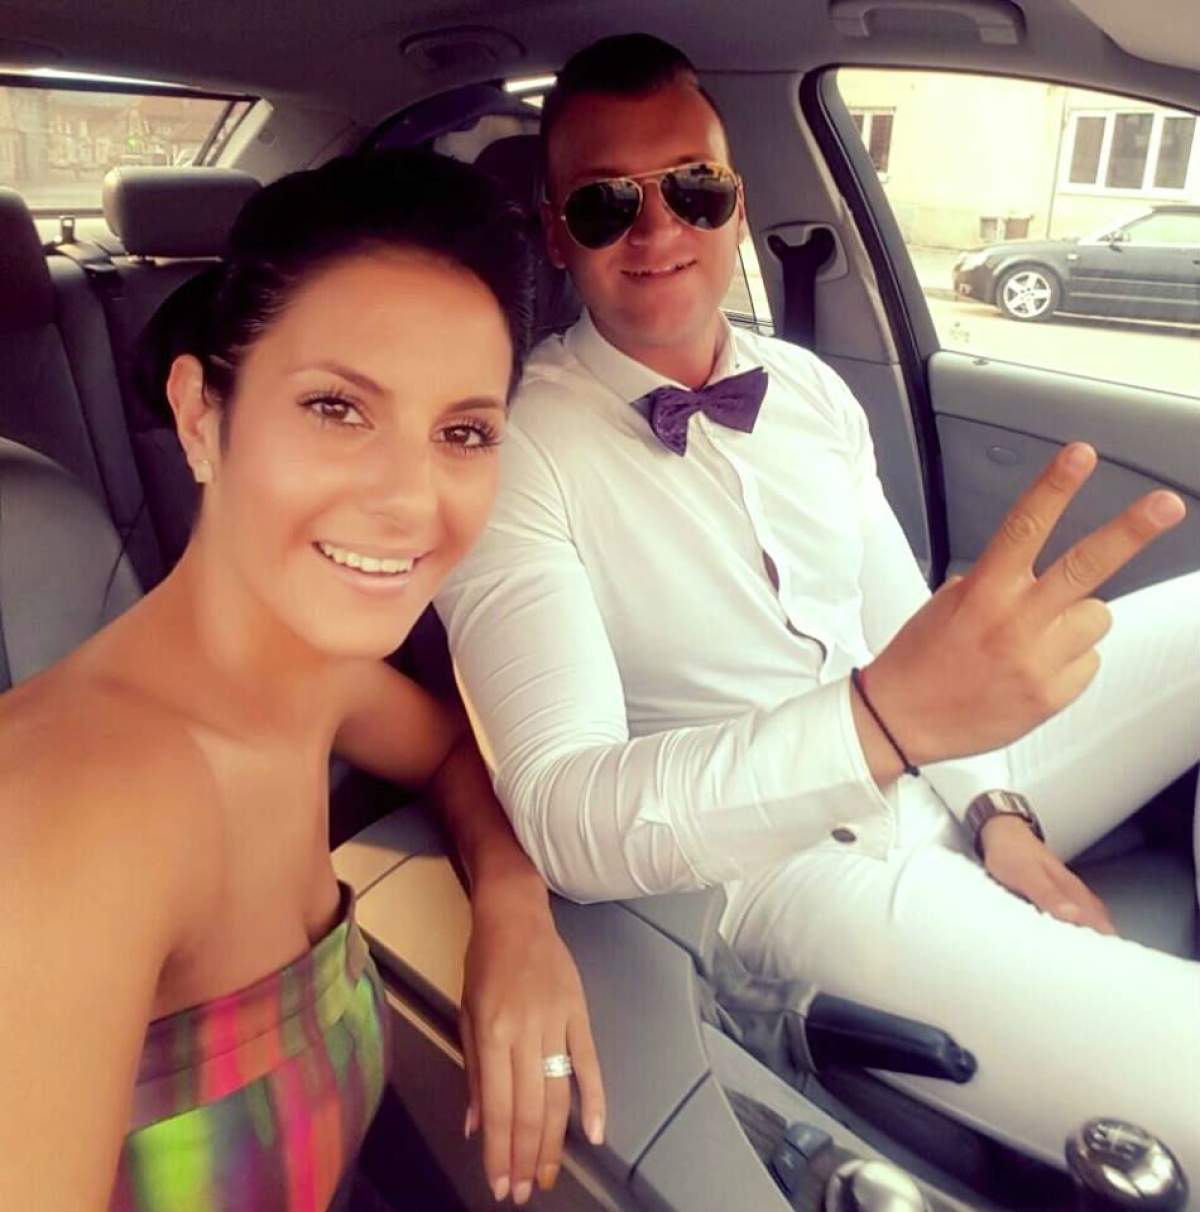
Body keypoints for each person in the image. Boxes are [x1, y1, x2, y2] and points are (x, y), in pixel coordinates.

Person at [435, 34, 1200, 1186]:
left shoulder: (809, 390)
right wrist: (881, 725)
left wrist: (996, 810)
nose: (658, 229)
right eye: (605, 204)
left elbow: (907, 641)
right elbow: (563, 818)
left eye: (693, 189)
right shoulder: (514, 455)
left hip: (932, 765)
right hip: (775, 870)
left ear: (737, 205)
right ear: (556, 234)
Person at [0, 150, 605, 1212]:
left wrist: (514, 913)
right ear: (200, 417)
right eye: (337, 408)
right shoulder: (75, 818)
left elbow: (452, 752)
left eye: (463, 432)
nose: (411, 499)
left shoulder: (319, 678)